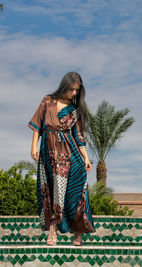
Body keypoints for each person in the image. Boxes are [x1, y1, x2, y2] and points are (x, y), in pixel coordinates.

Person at [28, 72, 95, 246]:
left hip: (70, 154)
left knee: (76, 191)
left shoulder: (74, 111)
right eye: (71, 89)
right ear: (64, 86)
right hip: (49, 153)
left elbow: (79, 137)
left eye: (77, 91)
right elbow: (37, 124)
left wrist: (86, 158)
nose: (74, 93)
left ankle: (78, 231)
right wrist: (33, 146)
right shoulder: (47, 101)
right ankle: (52, 231)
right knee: (51, 192)